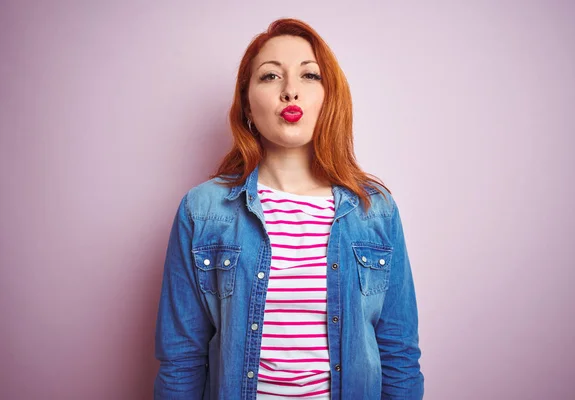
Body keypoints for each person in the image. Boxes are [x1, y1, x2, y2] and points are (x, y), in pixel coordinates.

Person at [153, 17, 424, 400]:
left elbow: (399, 355)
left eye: (309, 76)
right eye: (270, 77)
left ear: (329, 98)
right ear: (247, 104)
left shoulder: (375, 211)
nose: (290, 92)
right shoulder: (203, 211)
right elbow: (182, 358)